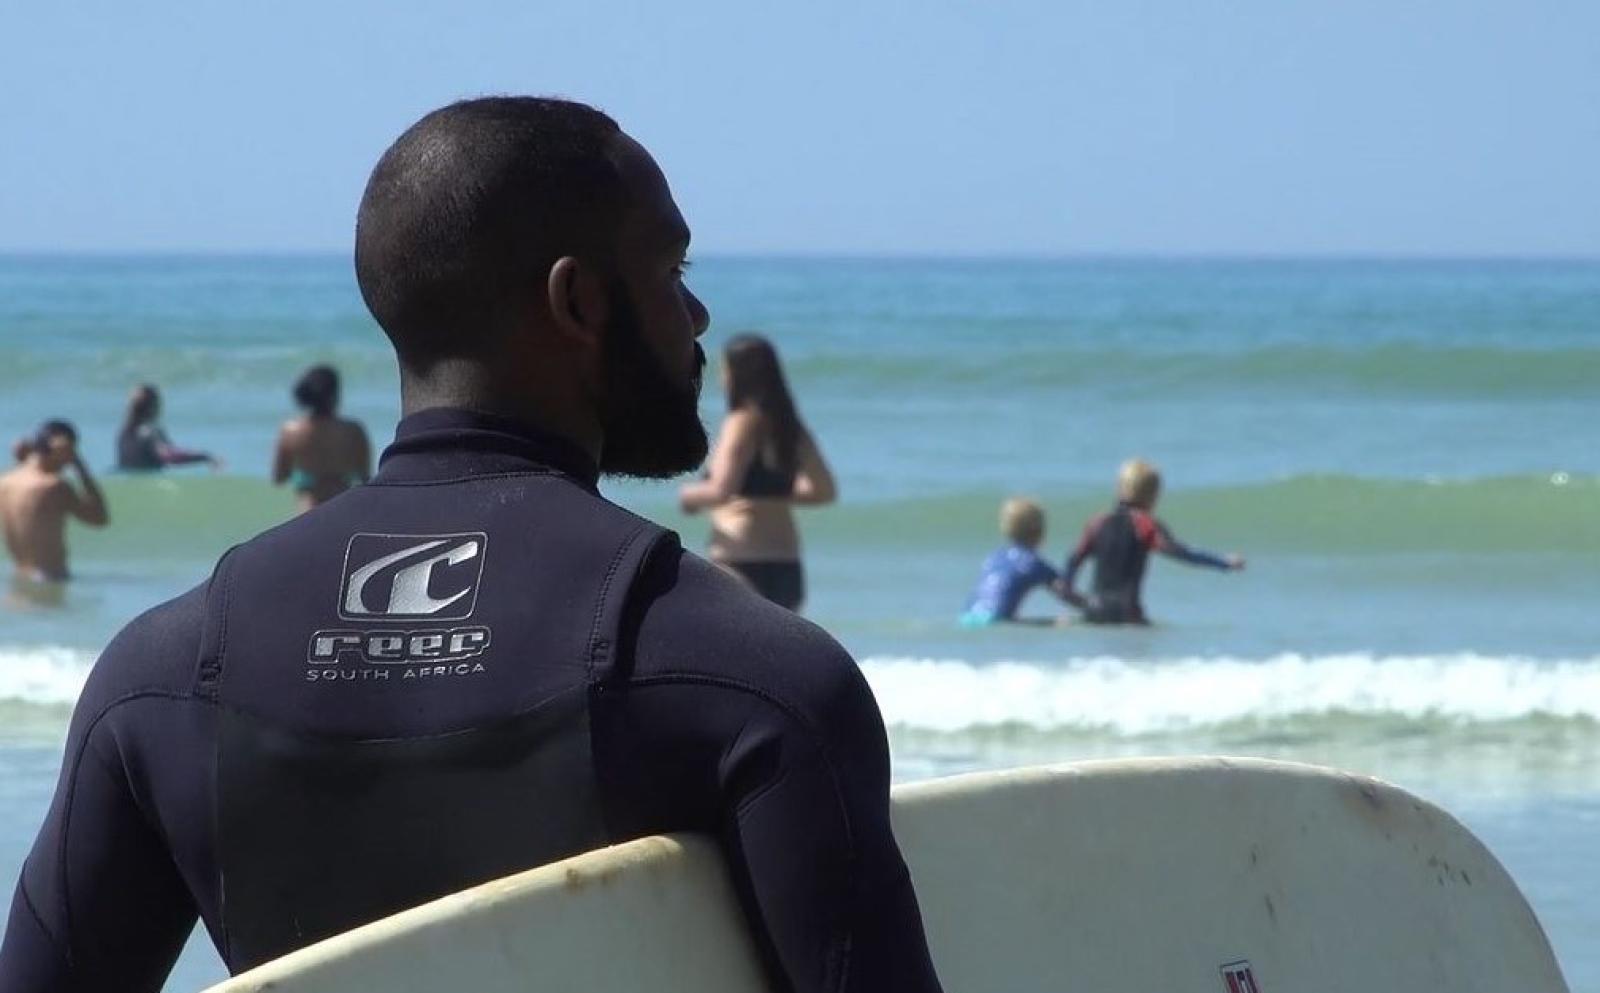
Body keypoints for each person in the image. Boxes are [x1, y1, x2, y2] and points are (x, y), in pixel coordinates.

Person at [0, 97, 942, 993]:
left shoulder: (158, 677)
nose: (696, 318)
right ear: (577, 300)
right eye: (672, 274)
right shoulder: (751, 676)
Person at [677, 333, 836, 611]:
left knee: (733, 651)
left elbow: (721, 489)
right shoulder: (789, 426)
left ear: (738, 373)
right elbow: (823, 490)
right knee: (777, 652)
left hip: (739, 557)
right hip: (786, 562)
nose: (722, 378)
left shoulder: (740, 422)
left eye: (725, 369)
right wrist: (771, 492)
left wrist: (688, 496)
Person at [1062, 458, 1244, 625]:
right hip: (1128, 614)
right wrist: (1223, 562)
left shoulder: (1097, 523)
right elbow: (1180, 553)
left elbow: (1073, 559)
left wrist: (1070, 594)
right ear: (1154, 495)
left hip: (1094, 611)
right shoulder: (1146, 524)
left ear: (1119, 489)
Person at [0, 420, 109, 591]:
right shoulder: (54, 486)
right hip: (50, 581)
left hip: (19, 583)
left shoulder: (6, 482)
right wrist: (80, 466)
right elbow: (100, 518)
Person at [271, 364, 373, 511]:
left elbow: (279, 478)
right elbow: (365, 477)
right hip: (344, 506)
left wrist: (305, 477)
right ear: (335, 394)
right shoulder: (354, 430)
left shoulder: (291, 431)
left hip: (309, 509)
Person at [961, 498, 1071, 626]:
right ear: (1039, 530)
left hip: (966, 618)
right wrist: (1091, 605)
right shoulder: (1033, 563)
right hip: (995, 620)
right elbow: (1067, 593)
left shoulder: (994, 557)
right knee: (1058, 623)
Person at [115, 383, 220, 471]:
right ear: (154, 407)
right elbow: (168, 456)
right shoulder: (149, 432)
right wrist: (204, 457)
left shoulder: (123, 433)